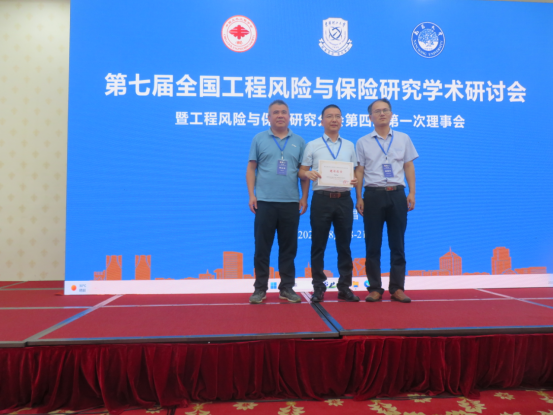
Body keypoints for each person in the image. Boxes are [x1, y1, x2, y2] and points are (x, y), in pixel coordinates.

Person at [355, 98, 418, 303]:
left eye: (385, 110)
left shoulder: (403, 138)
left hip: (397, 194)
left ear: (391, 114)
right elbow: (360, 171)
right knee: (372, 244)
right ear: (370, 117)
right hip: (373, 195)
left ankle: (397, 288)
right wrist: (358, 197)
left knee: (397, 243)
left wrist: (412, 192)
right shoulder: (362, 142)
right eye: (377, 111)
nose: (381, 114)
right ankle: (374, 288)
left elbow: (408, 166)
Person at [246, 100, 309, 304]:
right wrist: (252, 195)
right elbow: (251, 168)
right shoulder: (259, 139)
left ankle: (287, 288)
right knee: (261, 248)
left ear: (289, 116)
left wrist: (304, 197)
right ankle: (260, 289)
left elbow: (304, 173)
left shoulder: (299, 141)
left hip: (290, 202)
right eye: (275, 112)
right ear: (268, 117)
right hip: (265, 202)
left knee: (288, 248)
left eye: (283, 112)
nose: (280, 115)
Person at [299, 104, 359, 302]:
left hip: (344, 199)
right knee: (318, 245)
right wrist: (307, 174)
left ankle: (345, 287)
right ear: (322, 121)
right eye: (330, 116)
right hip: (321, 199)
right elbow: (302, 171)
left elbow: (356, 171)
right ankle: (318, 287)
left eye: (338, 116)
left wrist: (355, 180)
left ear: (342, 120)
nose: (334, 120)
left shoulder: (349, 145)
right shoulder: (312, 145)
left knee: (345, 245)